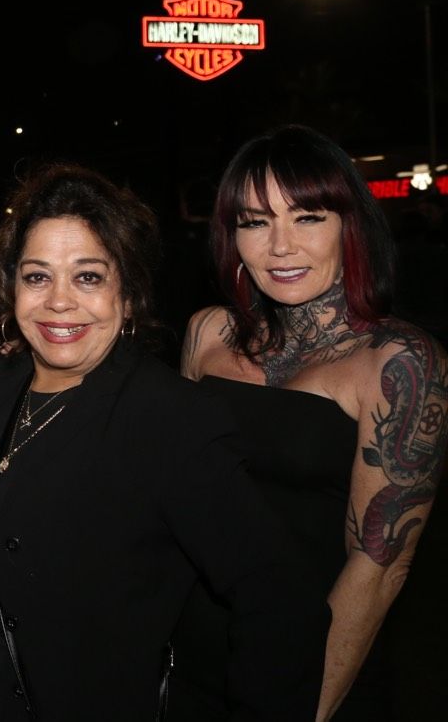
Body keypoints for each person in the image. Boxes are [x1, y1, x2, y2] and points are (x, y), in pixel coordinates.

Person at [0, 164, 328, 720]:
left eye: (88, 277)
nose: (60, 302)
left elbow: (280, 600)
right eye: (37, 277)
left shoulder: (169, 419)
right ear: (11, 288)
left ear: (127, 296)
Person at [177, 125, 448, 720]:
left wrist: (305, 706)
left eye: (307, 217)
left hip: (313, 662)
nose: (279, 246)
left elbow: (379, 566)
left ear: (350, 225)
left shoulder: (396, 361)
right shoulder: (207, 333)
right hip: (189, 653)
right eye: (254, 221)